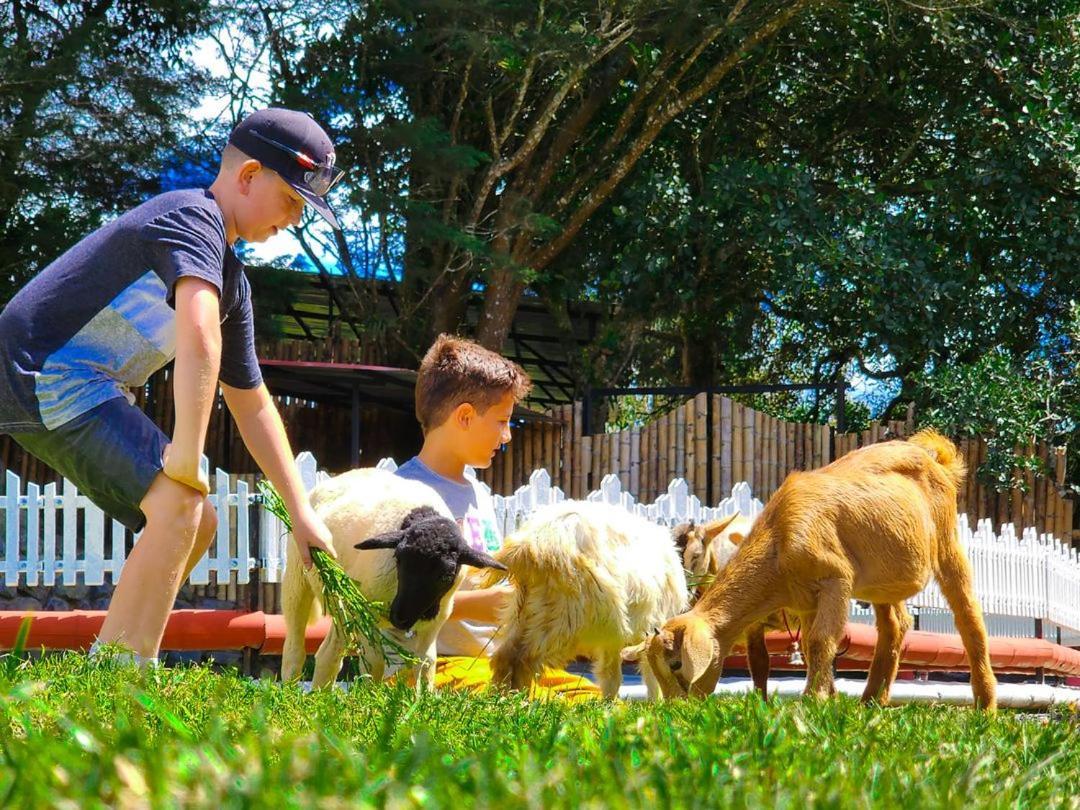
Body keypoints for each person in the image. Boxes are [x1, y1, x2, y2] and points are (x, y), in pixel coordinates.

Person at [0, 108, 341, 664]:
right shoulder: (192, 216)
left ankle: (113, 656)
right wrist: (187, 451)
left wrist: (301, 513)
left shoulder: (232, 280)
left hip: (70, 384)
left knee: (195, 519)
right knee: (183, 502)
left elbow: (252, 403)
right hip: (44, 371)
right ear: (249, 175)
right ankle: (123, 670)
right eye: (292, 201)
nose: (294, 219)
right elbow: (200, 332)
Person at [395, 335, 600, 700]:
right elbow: (386, 605)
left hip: (489, 660)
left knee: (586, 696)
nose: (506, 435)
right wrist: (481, 606)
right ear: (465, 417)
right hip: (431, 664)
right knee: (544, 707)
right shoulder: (401, 495)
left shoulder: (476, 492)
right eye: (503, 421)